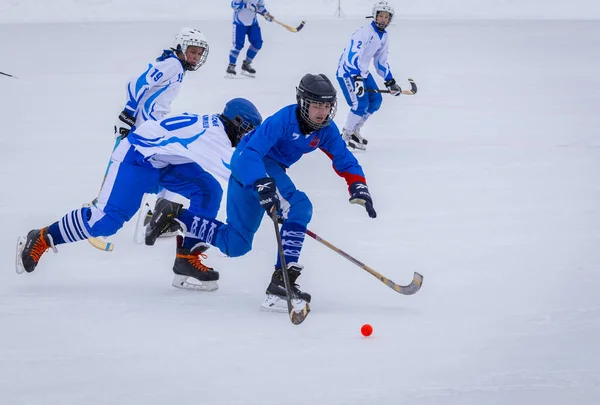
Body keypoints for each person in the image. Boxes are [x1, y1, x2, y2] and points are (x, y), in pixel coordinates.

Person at [147, 73, 377, 312]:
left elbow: (343, 158)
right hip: (251, 165)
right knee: (299, 206)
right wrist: (262, 183)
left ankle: (174, 214)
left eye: (327, 106)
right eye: (317, 105)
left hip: (257, 173)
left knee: (236, 244)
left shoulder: (325, 130)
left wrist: (358, 184)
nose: (322, 112)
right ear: (303, 103)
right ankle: (282, 283)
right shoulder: (283, 120)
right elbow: (250, 153)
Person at [16, 99, 263, 293]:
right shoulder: (215, 136)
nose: (247, 137)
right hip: (136, 158)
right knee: (105, 221)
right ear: (237, 121)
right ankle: (42, 237)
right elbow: (237, 172)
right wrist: (270, 195)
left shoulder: (217, 127)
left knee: (208, 190)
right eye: (248, 131)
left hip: (164, 159)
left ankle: (187, 256)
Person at [108, 27, 210, 236]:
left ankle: (156, 214)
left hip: (153, 127)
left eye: (199, 54)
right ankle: (157, 217)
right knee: (178, 161)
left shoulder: (176, 66)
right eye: (192, 51)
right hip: (148, 130)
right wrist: (128, 113)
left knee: (174, 162)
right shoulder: (172, 64)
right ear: (181, 47)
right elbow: (137, 83)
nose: (196, 57)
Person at [335, 1, 402, 151]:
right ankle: (345, 136)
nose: (384, 19)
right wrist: (356, 77)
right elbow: (351, 55)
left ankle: (354, 130)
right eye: (381, 16)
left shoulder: (383, 36)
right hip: (348, 72)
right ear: (375, 16)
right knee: (360, 104)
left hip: (363, 73)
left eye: (387, 17)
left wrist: (390, 81)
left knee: (376, 101)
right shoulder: (364, 32)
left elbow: (380, 61)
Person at [226, 0, 274, 78]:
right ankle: (231, 66)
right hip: (239, 23)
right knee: (237, 45)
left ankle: (246, 64)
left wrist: (266, 14)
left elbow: (259, 6)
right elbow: (234, 5)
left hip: (253, 23)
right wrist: (246, 6)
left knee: (257, 43)